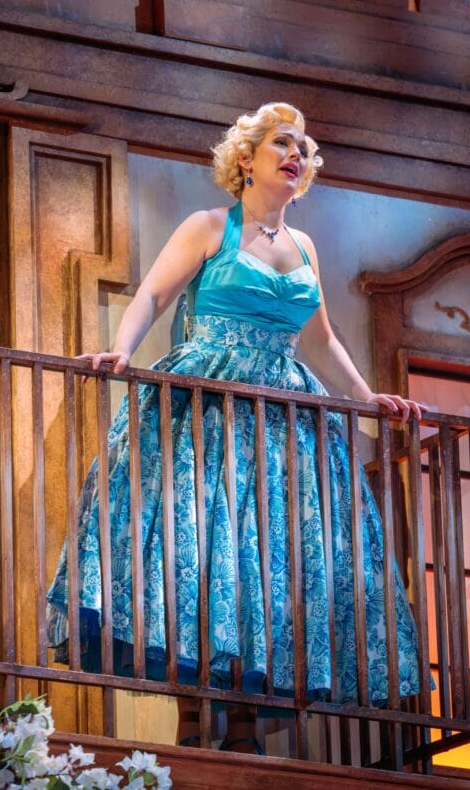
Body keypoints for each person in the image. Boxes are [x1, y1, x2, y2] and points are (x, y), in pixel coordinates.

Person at [44, 103, 425, 740]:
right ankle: (193, 717)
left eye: (303, 146)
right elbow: (153, 294)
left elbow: (321, 339)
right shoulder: (209, 226)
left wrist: (367, 398)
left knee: (267, 555)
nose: (295, 153)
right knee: (198, 546)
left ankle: (246, 722)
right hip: (209, 407)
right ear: (246, 158)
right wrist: (121, 350)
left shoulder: (303, 246)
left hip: (283, 419)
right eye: (282, 142)